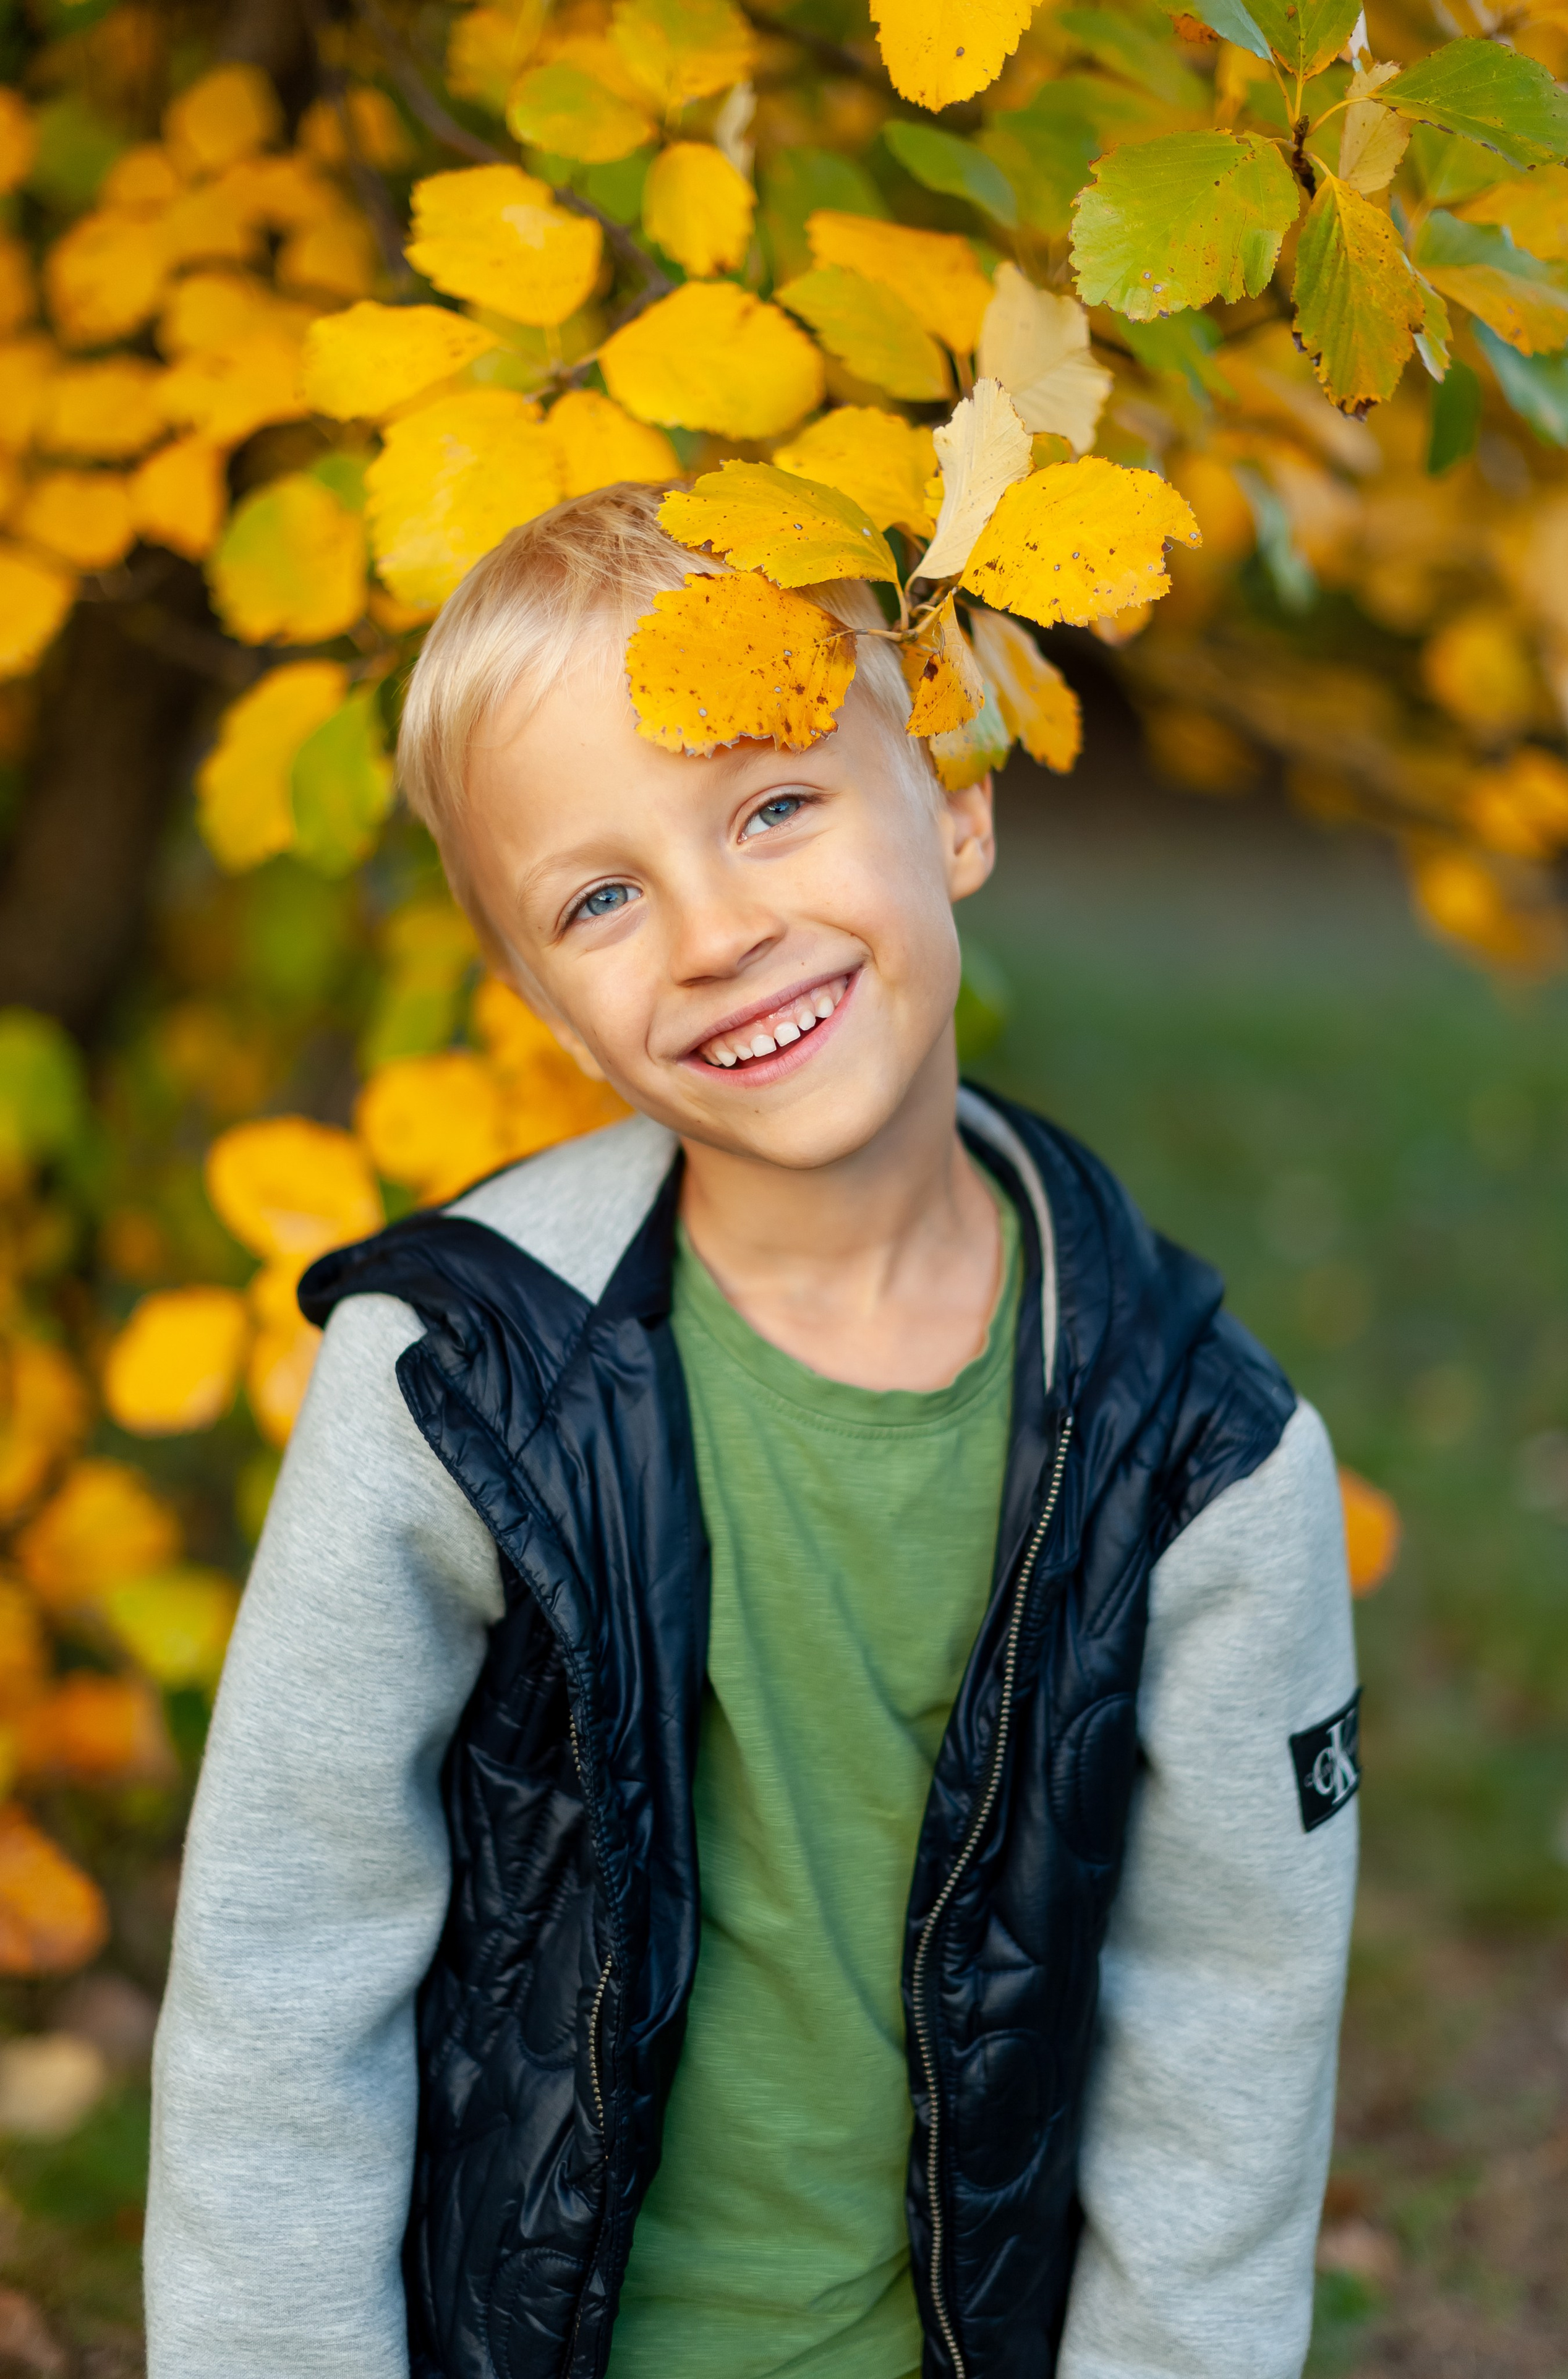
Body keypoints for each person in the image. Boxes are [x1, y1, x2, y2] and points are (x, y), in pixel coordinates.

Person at [144, 483, 1359, 2379]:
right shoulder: (458, 1383)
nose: (715, 931)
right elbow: (282, 1974)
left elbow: (1229, 2043)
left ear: (953, 805)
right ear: (546, 1001)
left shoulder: (1200, 1463)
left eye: (775, 804)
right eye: (601, 900)